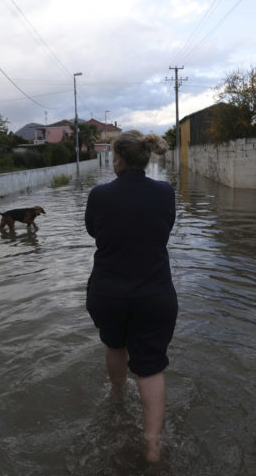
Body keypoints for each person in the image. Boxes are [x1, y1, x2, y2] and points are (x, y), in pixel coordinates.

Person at [84, 130, 178, 463]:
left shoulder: (99, 195)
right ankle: (152, 446)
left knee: (115, 344)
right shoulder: (166, 192)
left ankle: (118, 395)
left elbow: (94, 230)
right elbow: (165, 227)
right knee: (151, 367)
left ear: (118, 159)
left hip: (108, 292)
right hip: (155, 294)